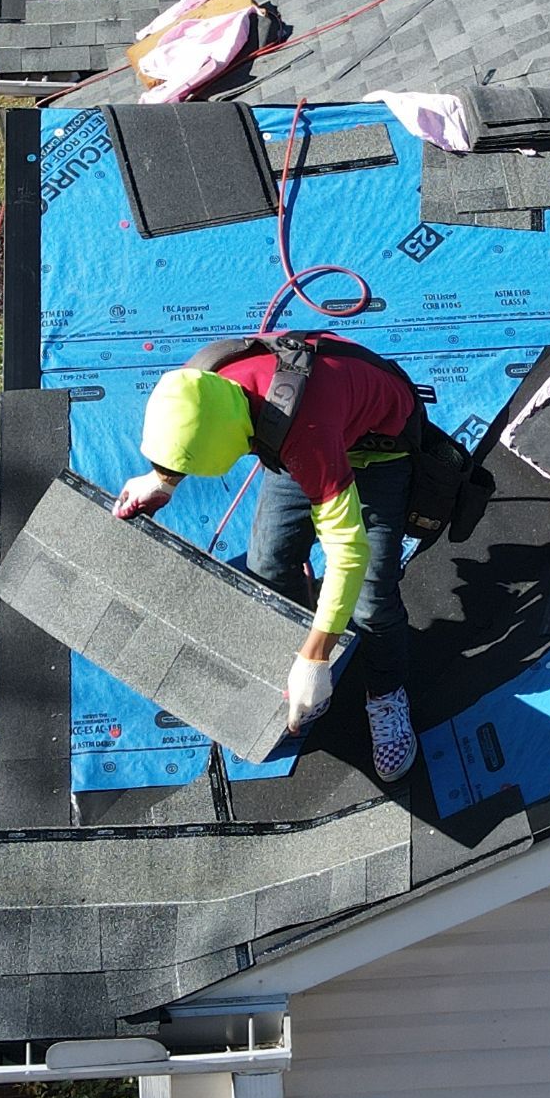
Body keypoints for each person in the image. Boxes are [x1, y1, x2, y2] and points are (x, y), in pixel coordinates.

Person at [114, 331, 424, 780]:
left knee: (371, 601)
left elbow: (348, 552)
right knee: (266, 566)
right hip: (294, 436)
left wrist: (316, 657)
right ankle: (297, 659)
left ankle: (386, 694)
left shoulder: (306, 431)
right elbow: (190, 423)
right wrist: (161, 480)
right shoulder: (202, 377)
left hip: (374, 450)